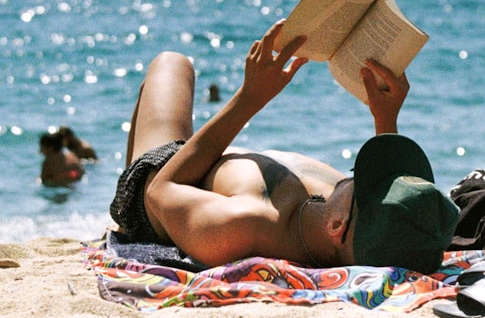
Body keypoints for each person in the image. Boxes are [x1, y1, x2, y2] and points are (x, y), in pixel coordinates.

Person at [109, 19, 458, 273]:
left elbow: (161, 190)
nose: (361, 175)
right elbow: (396, 212)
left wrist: (250, 98)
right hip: (215, 164)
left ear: (338, 225)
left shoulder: (241, 226)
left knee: (172, 63)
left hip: (162, 176)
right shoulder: (343, 221)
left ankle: (122, 225)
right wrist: (386, 117)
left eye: (366, 181)